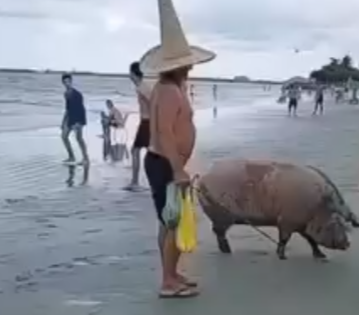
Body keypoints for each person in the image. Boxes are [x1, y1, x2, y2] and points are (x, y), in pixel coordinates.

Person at [140, 0, 215, 298]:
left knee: (167, 221)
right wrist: (178, 168)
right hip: (164, 164)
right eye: (187, 62)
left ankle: (171, 273)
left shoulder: (170, 88)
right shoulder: (169, 91)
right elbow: (164, 133)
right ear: (177, 66)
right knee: (171, 223)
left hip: (162, 162)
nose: (192, 65)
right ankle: (168, 283)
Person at [125, 62, 152, 191]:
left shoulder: (142, 87)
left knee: (135, 151)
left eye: (130, 73)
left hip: (147, 123)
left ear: (134, 74)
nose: (129, 75)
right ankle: (137, 182)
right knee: (149, 153)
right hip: (147, 122)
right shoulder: (141, 86)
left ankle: (135, 182)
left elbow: (153, 102)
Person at [61, 73, 89, 165]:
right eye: (65, 82)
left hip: (79, 117)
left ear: (71, 82)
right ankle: (71, 156)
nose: (67, 84)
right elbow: (67, 109)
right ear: (63, 83)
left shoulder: (77, 94)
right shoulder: (66, 94)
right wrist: (63, 121)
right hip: (70, 117)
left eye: (68, 82)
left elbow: (81, 108)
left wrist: (78, 123)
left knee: (79, 138)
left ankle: (86, 158)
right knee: (64, 136)